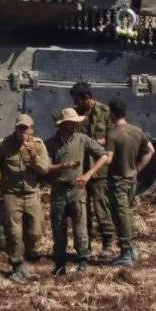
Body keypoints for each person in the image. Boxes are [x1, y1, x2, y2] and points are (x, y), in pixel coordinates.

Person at [0, 113, 56, 283]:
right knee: (14, 233)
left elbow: (44, 169)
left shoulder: (38, 145)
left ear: (32, 129)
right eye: (20, 128)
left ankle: (30, 251)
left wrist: (33, 159)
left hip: (31, 194)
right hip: (11, 194)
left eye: (26, 128)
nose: (23, 131)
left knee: (35, 231)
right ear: (15, 129)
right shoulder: (4, 145)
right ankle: (17, 265)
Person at [44, 108, 111, 275]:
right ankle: (60, 264)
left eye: (76, 122)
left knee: (80, 228)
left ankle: (82, 261)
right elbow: (45, 167)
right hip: (58, 191)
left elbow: (103, 156)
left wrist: (88, 174)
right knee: (58, 229)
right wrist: (62, 167)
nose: (75, 125)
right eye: (72, 122)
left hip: (77, 190)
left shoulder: (82, 139)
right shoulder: (51, 143)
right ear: (63, 124)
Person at [105, 99, 155, 267]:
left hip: (117, 182)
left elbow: (109, 158)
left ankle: (126, 252)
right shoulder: (136, 131)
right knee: (127, 215)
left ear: (112, 113)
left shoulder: (112, 133)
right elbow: (150, 151)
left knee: (121, 217)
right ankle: (131, 249)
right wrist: (138, 168)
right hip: (132, 180)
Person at [70, 82, 116, 253]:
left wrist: (94, 143)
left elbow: (113, 137)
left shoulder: (105, 112)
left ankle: (107, 243)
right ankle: (85, 244)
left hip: (99, 168)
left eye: (78, 100)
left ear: (87, 98)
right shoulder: (75, 115)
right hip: (81, 167)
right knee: (82, 209)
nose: (75, 104)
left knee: (101, 205)